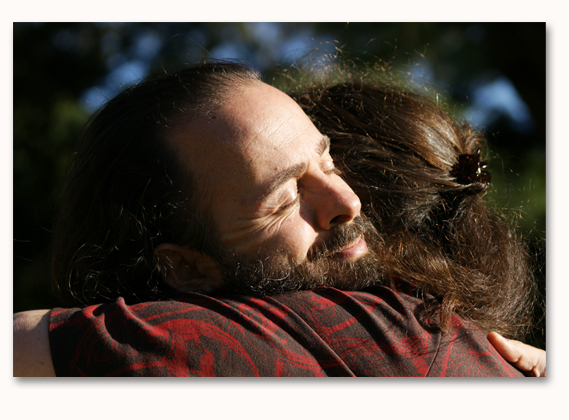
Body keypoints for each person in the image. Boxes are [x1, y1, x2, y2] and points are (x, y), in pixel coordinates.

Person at [13, 61, 545, 376]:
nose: (348, 201)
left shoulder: (400, 332)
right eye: (285, 197)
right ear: (188, 267)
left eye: (328, 160)